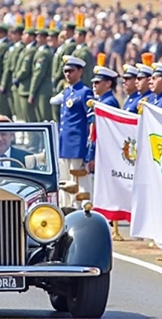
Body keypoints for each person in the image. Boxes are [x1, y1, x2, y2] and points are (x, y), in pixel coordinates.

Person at [58, 55, 94, 208]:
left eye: (71, 71)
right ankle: (66, 207)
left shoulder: (85, 92)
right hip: (65, 142)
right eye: (65, 71)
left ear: (80, 72)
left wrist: (89, 145)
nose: (67, 74)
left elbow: (91, 120)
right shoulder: (67, 92)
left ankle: (80, 208)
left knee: (78, 179)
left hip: (77, 143)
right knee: (64, 179)